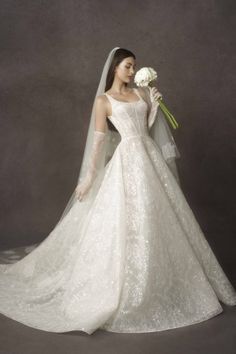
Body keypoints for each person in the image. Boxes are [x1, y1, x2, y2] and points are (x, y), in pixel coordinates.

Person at [0, 47, 235, 335]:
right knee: (126, 220)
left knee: (157, 215)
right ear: (114, 68)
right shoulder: (103, 101)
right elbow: (99, 142)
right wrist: (88, 178)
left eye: (134, 66)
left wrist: (156, 107)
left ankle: (159, 280)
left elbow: (145, 130)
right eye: (128, 66)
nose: (133, 71)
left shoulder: (140, 93)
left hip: (148, 157)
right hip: (126, 160)